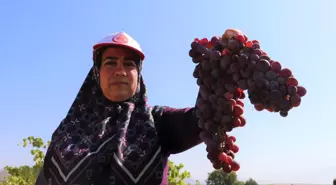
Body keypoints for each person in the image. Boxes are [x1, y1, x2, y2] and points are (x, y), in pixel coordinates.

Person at [35, 32, 203, 185]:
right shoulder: (67, 131)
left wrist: (224, 59)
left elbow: (205, 118)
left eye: (129, 64)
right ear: (97, 72)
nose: (120, 71)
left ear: (138, 75)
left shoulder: (157, 122)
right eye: (111, 63)